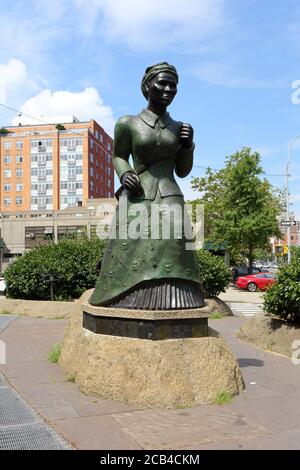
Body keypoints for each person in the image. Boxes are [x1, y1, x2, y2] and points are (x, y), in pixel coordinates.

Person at [89, 62, 204, 309]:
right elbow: (118, 155)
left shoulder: (180, 128)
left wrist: (188, 146)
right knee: (130, 244)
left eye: (173, 85)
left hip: (170, 193)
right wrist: (125, 173)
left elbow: (183, 171)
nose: (168, 89)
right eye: (162, 83)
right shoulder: (127, 123)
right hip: (138, 193)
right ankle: (126, 299)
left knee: (174, 244)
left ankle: (177, 300)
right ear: (147, 86)